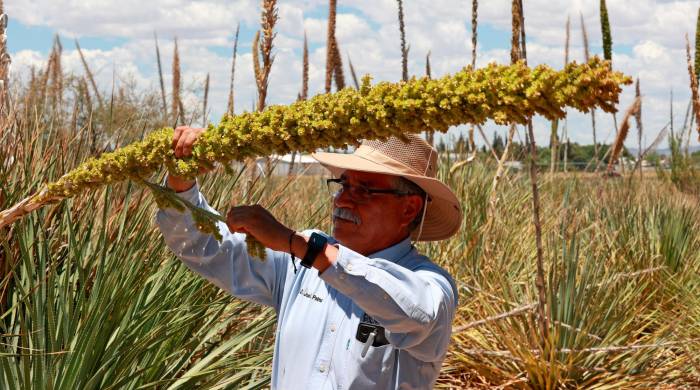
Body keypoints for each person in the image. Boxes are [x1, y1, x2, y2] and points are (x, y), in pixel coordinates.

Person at [156, 126, 462, 389]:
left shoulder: (432, 286)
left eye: (364, 190)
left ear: (409, 208)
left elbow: (416, 313)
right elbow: (204, 245)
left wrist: (297, 244)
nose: (343, 199)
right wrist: (181, 183)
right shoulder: (300, 261)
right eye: (343, 185)